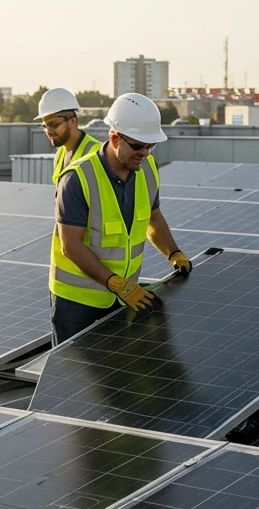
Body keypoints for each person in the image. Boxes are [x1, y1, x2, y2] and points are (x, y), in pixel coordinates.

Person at [49, 92, 192, 345]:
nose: (144, 153)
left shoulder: (147, 169)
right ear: (115, 138)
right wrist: (114, 282)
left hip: (122, 295)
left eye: (150, 146)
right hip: (76, 300)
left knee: (114, 374)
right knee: (71, 379)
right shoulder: (78, 178)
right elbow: (70, 245)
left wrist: (174, 253)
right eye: (138, 146)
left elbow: (154, 218)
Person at [36, 88, 100, 184]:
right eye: (45, 126)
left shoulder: (97, 153)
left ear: (73, 121)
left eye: (54, 125)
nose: (48, 131)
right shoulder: (61, 153)